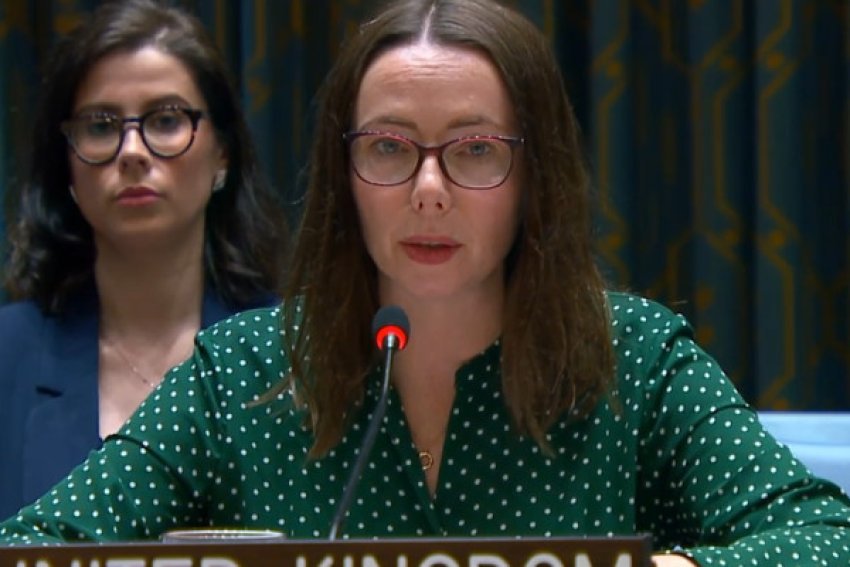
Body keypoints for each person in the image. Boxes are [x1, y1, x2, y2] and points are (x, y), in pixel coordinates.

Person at [1, 0, 848, 564]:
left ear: (535, 175)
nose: (429, 189)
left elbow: (822, 533)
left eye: (475, 150)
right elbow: (38, 547)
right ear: (345, 175)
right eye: (389, 147)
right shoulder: (244, 371)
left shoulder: (635, 356)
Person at [0, 0, 287, 519]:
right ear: (67, 166)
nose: (132, 151)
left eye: (166, 120)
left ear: (223, 154)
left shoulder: (290, 356)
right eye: (100, 126)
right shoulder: (9, 354)